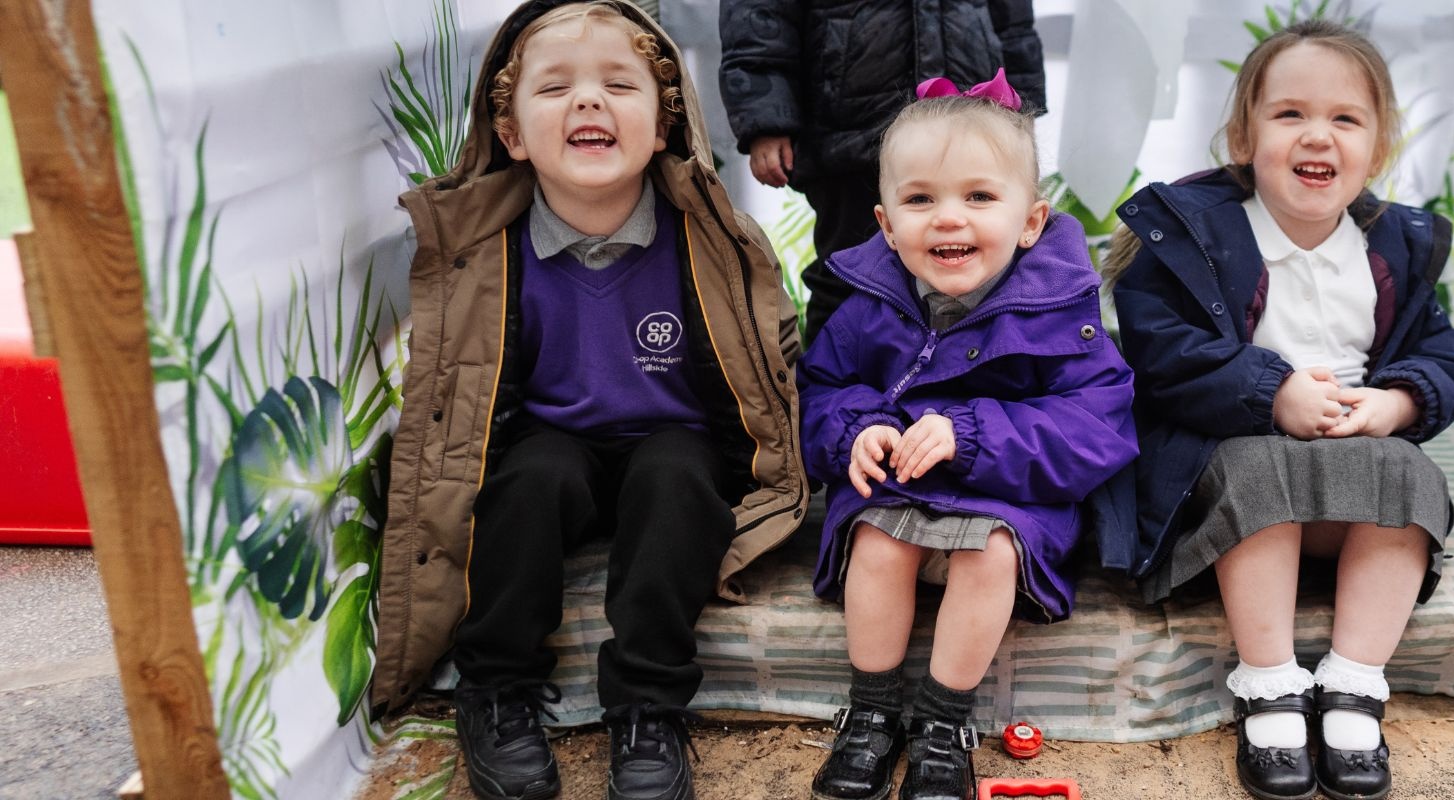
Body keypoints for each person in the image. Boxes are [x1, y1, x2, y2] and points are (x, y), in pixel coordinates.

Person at [372, 2, 807, 799]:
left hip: (672, 440)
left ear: (664, 125)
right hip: (555, 444)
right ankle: (496, 688)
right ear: (510, 136)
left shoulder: (709, 237)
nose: (587, 102)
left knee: (674, 477)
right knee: (528, 483)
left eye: (618, 84)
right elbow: (454, 398)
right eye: (554, 89)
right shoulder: (482, 252)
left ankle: (647, 708)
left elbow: (768, 368)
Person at [1105, 20, 1454, 800]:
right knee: (1256, 464)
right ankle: (1269, 681)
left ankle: (1354, 680)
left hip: (1347, 492)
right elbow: (1157, 352)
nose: (1319, 135)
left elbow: (1444, 360)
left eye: (1345, 119)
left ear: (1378, 148)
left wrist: (1396, 402)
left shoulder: (1396, 247)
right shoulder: (1192, 235)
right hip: (1232, 484)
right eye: (1289, 114)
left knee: (1408, 476)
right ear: (1243, 135)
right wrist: (1267, 389)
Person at [797, 73, 1138, 800]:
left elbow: (1096, 424)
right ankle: (872, 710)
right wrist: (858, 430)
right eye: (921, 200)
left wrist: (972, 433)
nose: (948, 219)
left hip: (1009, 494)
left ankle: (945, 720)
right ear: (887, 226)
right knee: (876, 542)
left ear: (1031, 221)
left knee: (990, 554)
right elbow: (823, 387)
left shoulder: (1062, 315)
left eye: (979, 197)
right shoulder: (868, 308)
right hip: (900, 491)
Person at [718, 0, 1046, 347]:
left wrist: (1020, 111)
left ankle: (963, 383)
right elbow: (759, 15)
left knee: (988, 274)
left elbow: (1014, 19)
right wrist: (765, 118)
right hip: (851, 129)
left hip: (976, 120)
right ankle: (829, 386)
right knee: (849, 274)